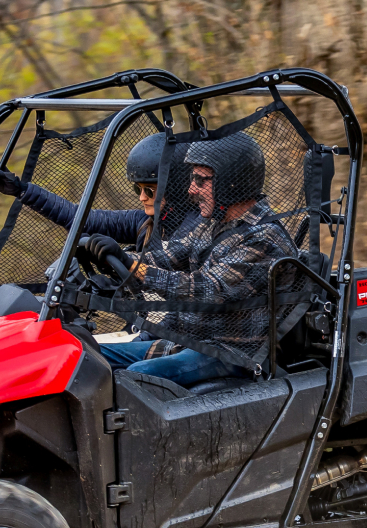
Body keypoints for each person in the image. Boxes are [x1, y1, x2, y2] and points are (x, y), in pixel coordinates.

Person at [85, 131, 301, 386]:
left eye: (200, 180)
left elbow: (207, 289)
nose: (191, 189)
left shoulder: (263, 238)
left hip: (227, 353)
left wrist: (135, 269)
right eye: (192, 179)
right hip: (189, 341)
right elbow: (171, 256)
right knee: (89, 358)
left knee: (134, 377)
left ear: (231, 181)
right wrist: (119, 258)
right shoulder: (215, 222)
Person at [0, 133, 196, 252]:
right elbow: (79, 218)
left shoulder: (198, 230)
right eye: (138, 189)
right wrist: (22, 190)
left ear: (175, 188)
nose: (142, 197)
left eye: (149, 190)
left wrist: (124, 260)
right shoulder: (145, 224)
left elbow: (168, 274)